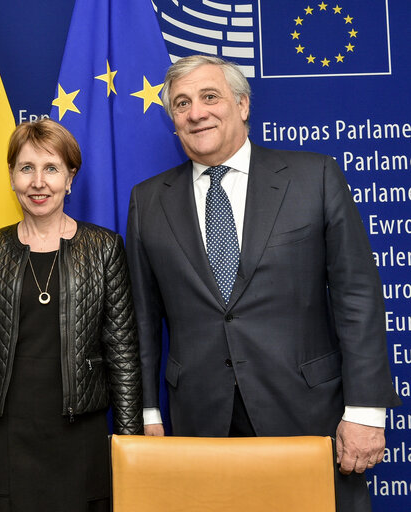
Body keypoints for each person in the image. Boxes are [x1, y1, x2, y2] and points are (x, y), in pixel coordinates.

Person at [126, 55, 401, 512]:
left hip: (309, 413)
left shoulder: (314, 177)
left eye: (209, 97)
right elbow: (142, 318)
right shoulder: (148, 200)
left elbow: (358, 298)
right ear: (172, 119)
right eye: (181, 103)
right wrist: (147, 413)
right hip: (200, 417)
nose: (196, 112)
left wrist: (366, 412)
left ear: (242, 104)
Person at [0, 118, 142, 511]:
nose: (39, 182)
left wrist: (129, 446)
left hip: (78, 431)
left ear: (70, 178)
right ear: (12, 177)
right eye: (26, 168)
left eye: (51, 168)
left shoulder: (104, 248)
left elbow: (122, 354)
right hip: (2, 428)